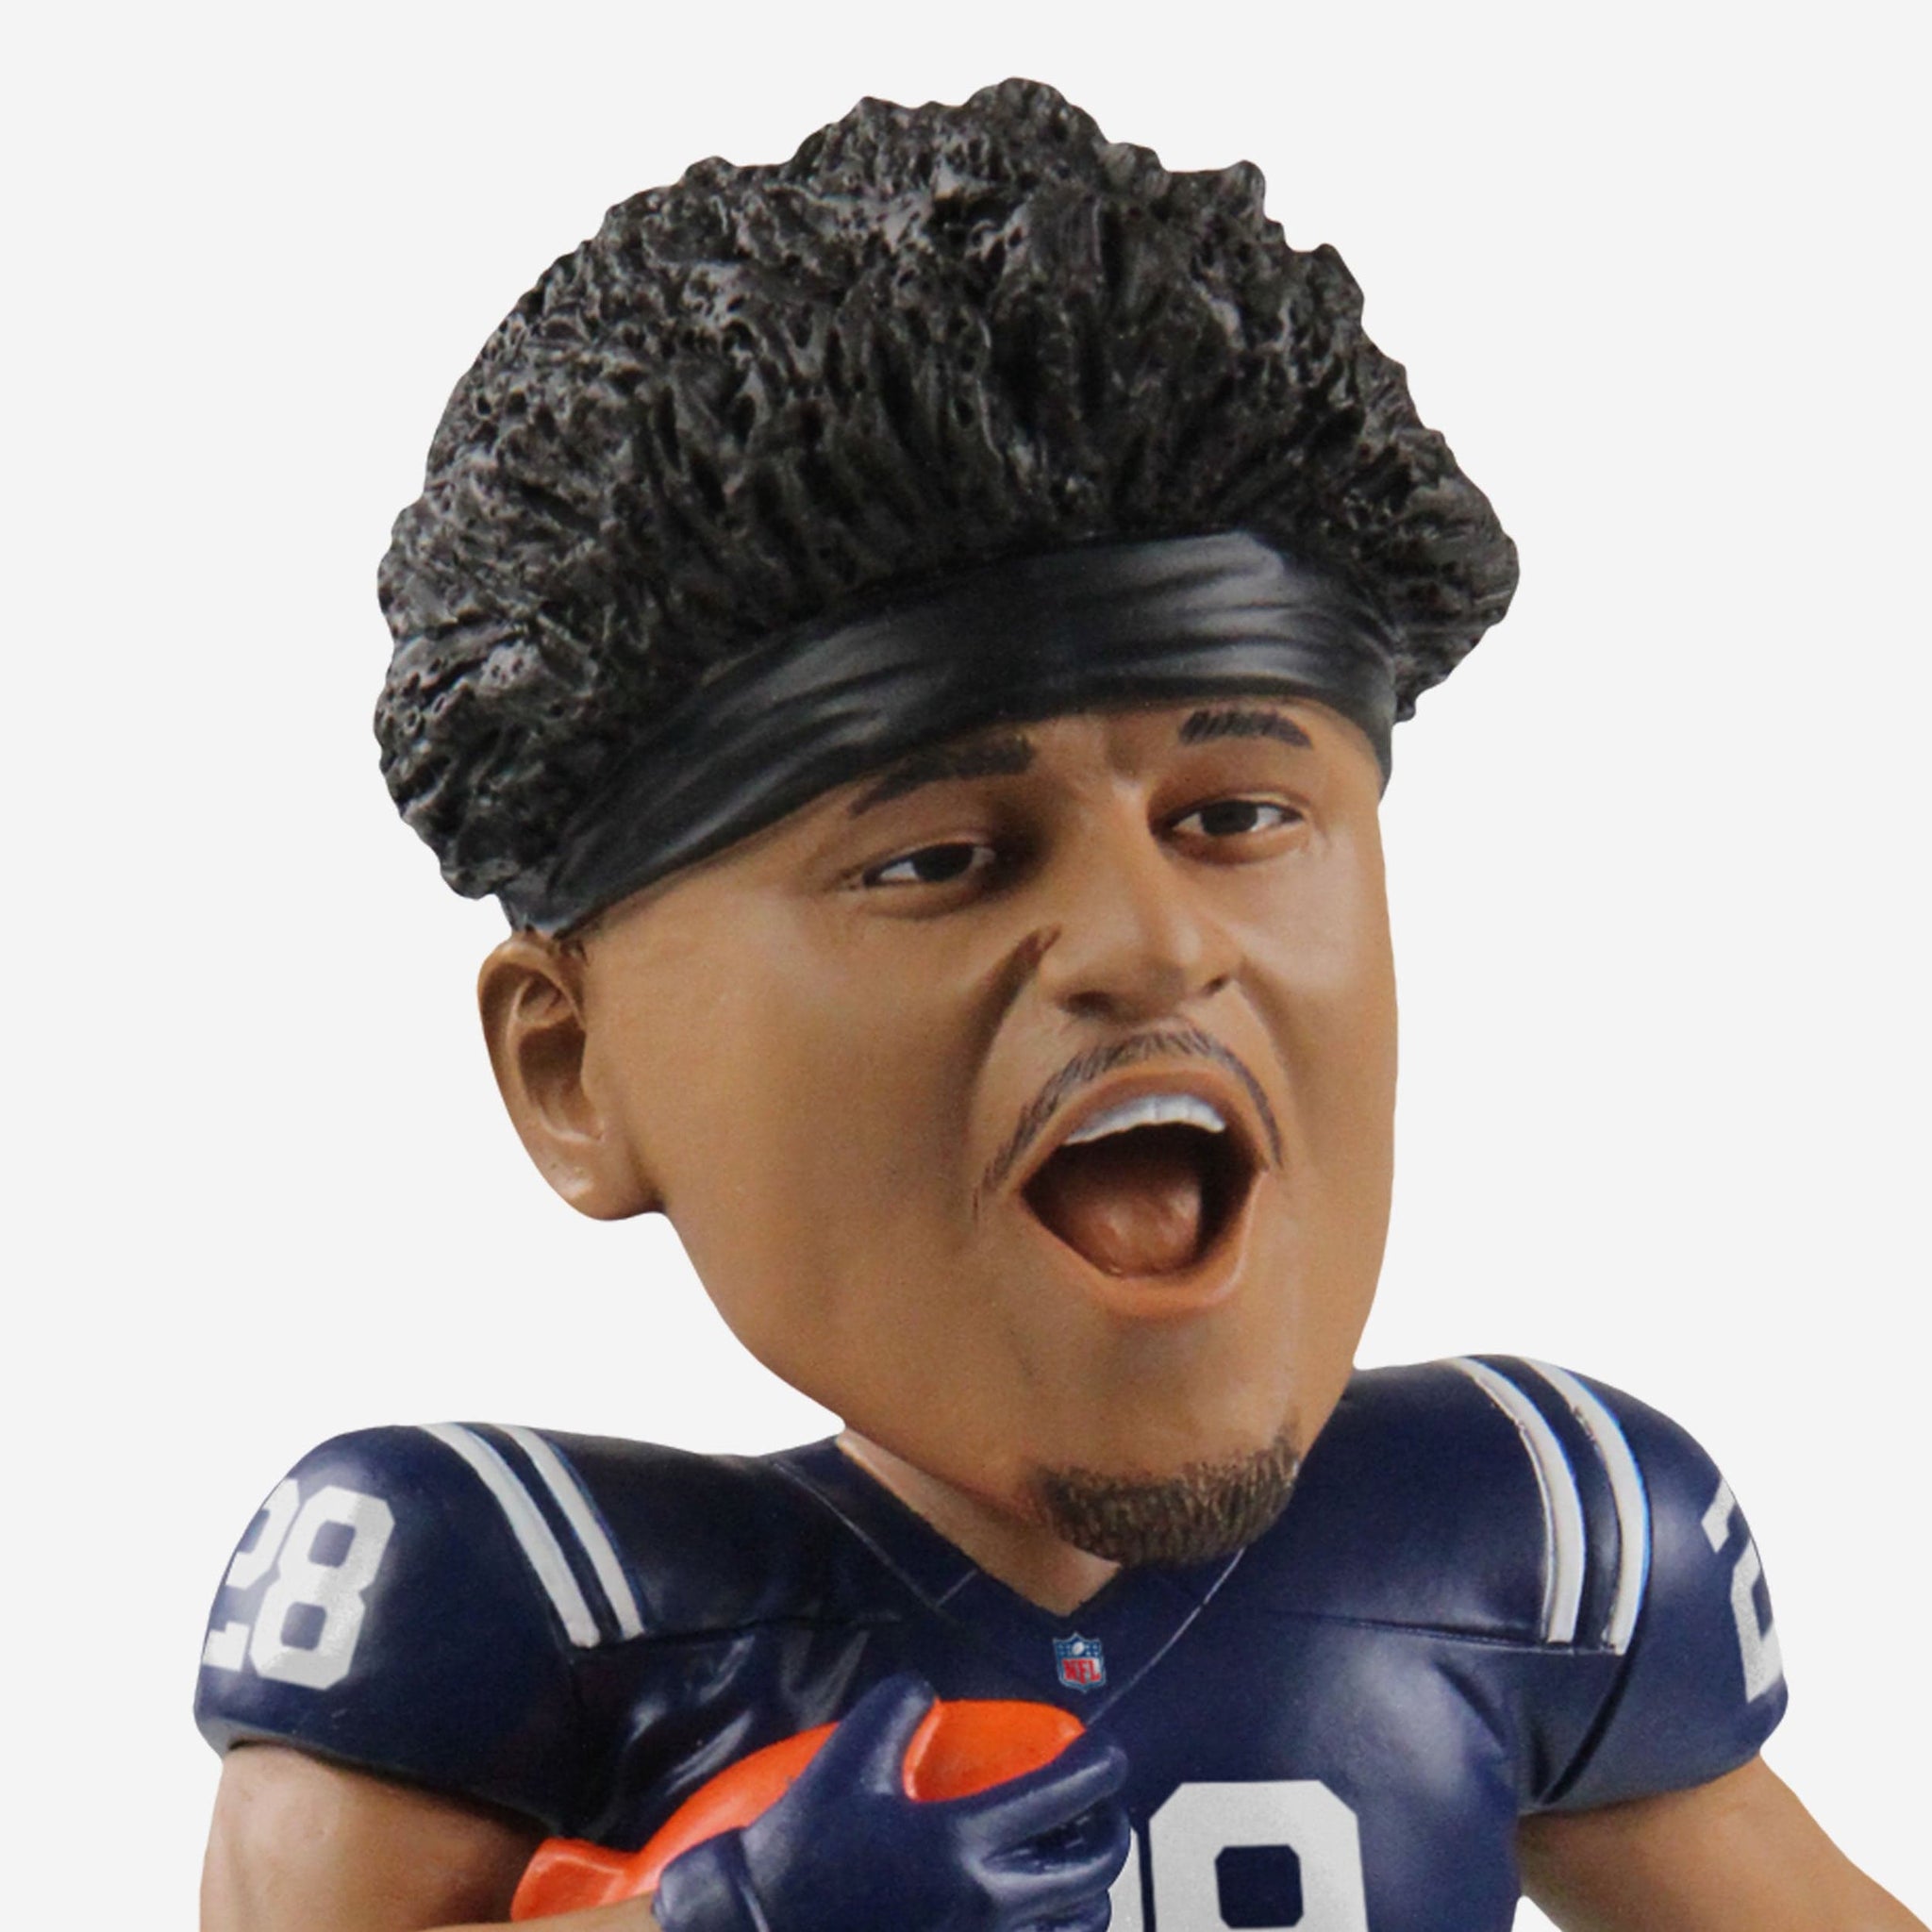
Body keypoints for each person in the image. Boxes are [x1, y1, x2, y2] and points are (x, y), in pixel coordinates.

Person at [194, 80, 1923, 1932]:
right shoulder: (496, 1594)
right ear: (572, 1067)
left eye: (1236, 817)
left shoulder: (1530, 1546)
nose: (1146, 942)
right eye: (941, 856)